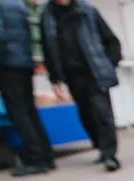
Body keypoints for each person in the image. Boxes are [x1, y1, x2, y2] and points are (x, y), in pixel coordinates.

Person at [0, 0, 54, 176]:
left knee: (18, 111)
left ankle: (35, 157)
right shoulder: (15, 2)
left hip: (7, 64)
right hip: (23, 61)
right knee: (29, 109)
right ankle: (45, 154)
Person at [41, 0, 123, 172]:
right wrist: (55, 78)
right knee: (86, 114)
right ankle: (100, 146)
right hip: (71, 74)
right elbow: (47, 48)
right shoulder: (47, 16)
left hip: (94, 72)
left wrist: (109, 64)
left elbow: (111, 40)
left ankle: (110, 155)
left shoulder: (87, 10)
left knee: (102, 112)